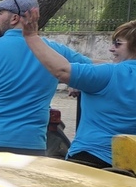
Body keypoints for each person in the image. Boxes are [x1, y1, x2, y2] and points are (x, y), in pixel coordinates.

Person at [0, 0, 91, 155]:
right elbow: (92, 72)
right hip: (31, 145)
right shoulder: (56, 52)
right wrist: (76, 83)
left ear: (14, 18)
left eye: (1, 13)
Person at [21, 9, 136, 168]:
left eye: (118, 43)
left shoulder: (109, 74)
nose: (111, 48)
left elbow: (62, 70)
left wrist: (31, 37)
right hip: (130, 164)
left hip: (92, 158)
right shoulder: (108, 74)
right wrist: (86, 84)